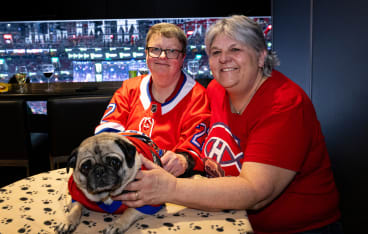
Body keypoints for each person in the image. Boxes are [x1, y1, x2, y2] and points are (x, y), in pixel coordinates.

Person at [113, 15, 342, 234]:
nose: (224, 58)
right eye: (216, 52)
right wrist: (185, 159)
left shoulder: (284, 106)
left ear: (261, 56)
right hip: (234, 218)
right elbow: (200, 142)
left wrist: (169, 187)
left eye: (235, 49)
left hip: (298, 230)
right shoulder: (216, 90)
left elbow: (255, 192)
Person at [95, 23, 210, 177]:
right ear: (146, 54)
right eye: (155, 49)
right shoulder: (130, 88)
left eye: (172, 51)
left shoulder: (197, 97)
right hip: (125, 174)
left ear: (182, 57)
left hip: (171, 182)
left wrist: (183, 160)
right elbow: (106, 136)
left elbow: (192, 152)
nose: (162, 56)